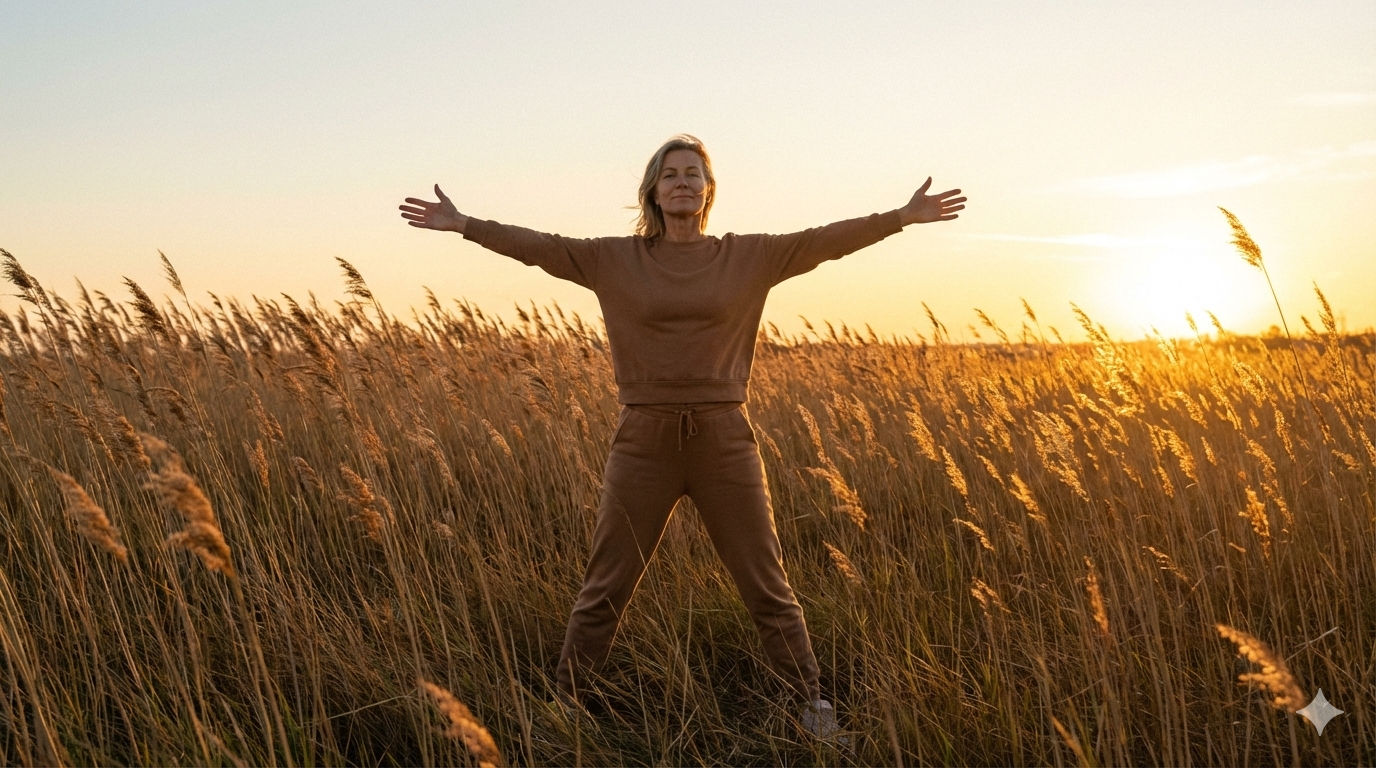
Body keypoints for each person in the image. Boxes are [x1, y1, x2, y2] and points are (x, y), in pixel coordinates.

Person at [399, 135, 965, 737]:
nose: (683, 183)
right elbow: (541, 248)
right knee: (606, 584)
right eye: (670, 174)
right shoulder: (613, 259)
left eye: (694, 174)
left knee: (766, 583)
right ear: (652, 190)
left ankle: (813, 707)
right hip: (643, 440)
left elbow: (821, 242)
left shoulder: (749, 257)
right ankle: (564, 710)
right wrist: (464, 224)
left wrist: (900, 218)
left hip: (725, 438)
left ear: (709, 190)